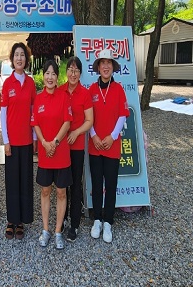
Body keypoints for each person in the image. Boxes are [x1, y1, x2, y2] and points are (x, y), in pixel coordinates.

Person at [88, 49, 130, 243]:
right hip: (95, 145)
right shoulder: (91, 90)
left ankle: (108, 222)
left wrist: (112, 137)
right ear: (98, 67)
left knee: (111, 185)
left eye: (109, 63)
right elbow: (87, 117)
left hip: (112, 146)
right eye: (102, 63)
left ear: (113, 67)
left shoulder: (119, 89)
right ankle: (97, 219)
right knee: (97, 185)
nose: (105, 66)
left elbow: (122, 115)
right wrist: (94, 135)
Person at [31, 60, 72, 250]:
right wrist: (44, 143)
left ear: (57, 77)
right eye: (47, 73)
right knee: (45, 191)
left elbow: (67, 122)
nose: (50, 77)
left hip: (61, 152)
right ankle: (46, 230)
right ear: (43, 75)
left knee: (61, 192)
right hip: (45, 153)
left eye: (53, 74)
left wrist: (54, 142)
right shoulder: (38, 98)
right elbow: (35, 124)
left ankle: (58, 232)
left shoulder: (64, 97)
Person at [0, 42, 36, 240]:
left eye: (22, 54)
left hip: (27, 141)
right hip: (12, 142)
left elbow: (33, 112)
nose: (19, 58)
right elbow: (3, 113)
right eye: (16, 55)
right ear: (12, 59)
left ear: (26, 58)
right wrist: (6, 141)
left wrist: (35, 138)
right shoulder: (7, 83)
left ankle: (21, 220)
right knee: (12, 181)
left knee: (25, 181)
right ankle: (11, 220)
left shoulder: (30, 83)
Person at [59, 56, 93, 242]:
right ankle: (63, 219)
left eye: (76, 70)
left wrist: (77, 132)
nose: (73, 73)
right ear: (66, 72)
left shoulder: (84, 94)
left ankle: (74, 224)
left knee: (75, 184)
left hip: (77, 146)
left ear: (80, 73)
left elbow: (90, 120)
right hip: (61, 146)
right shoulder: (60, 91)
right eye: (70, 70)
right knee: (62, 184)